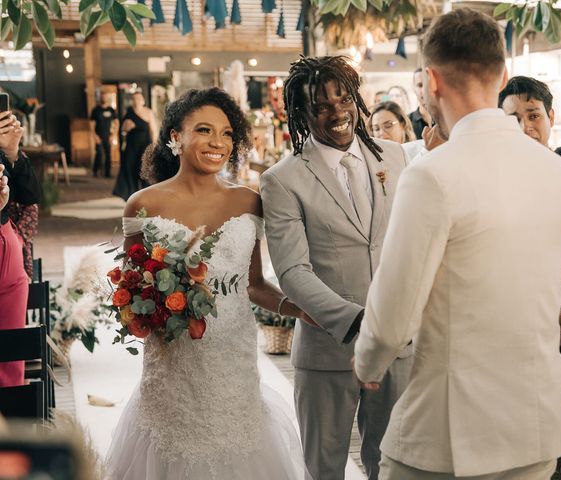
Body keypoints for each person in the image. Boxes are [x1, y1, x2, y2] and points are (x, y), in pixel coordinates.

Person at [354, 8, 561, 480]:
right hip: (535, 426)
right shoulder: (557, 171)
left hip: (448, 435)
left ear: (431, 81)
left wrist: (368, 362)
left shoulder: (432, 174)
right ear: (502, 75)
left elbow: (393, 315)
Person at [105, 87, 306, 479]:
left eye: (228, 133)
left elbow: (254, 284)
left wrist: (296, 307)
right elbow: (129, 291)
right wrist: (150, 309)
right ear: (175, 137)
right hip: (173, 369)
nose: (218, 142)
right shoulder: (142, 205)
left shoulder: (249, 202)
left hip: (233, 364)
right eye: (204, 130)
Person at [260, 55, 412, 480]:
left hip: (398, 347)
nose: (337, 111)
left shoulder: (396, 158)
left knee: (393, 464)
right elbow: (292, 271)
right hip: (329, 350)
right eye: (321, 105)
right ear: (302, 114)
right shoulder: (282, 179)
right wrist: (362, 323)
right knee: (323, 468)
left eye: (343, 98)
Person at [498, 75, 561, 442]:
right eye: (513, 119)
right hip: (512, 321)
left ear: (551, 117)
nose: (525, 127)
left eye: (534, 115)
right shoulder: (492, 180)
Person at [0, 109, 40, 387]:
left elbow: (30, 196)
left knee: (10, 362)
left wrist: (11, 151)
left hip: (6, 248)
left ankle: (10, 426)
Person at [113, 91, 157, 201]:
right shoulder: (129, 112)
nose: (136, 101)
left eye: (138, 99)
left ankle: (147, 197)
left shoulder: (148, 112)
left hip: (145, 146)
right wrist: (127, 127)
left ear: (143, 101)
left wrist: (154, 146)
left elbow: (154, 131)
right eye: (134, 99)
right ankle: (132, 197)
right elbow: (122, 130)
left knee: (144, 171)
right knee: (130, 170)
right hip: (131, 147)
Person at [90, 89, 119, 178]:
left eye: (105, 96)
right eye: (102, 96)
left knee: (108, 154)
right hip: (98, 135)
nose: (104, 98)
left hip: (108, 135)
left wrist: (113, 135)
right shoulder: (96, 110)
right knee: (98, 153)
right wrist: (95, 136)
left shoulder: (111, 110)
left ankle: (107, 173)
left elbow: (116, 123)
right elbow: (91, 124)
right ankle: (95, 171)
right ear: (100, 98)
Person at [409, 68, 433, 139]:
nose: (425, 90)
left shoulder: (445, 120)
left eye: (428, 84)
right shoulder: (407, 121)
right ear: (414, 89)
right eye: (420, 85)